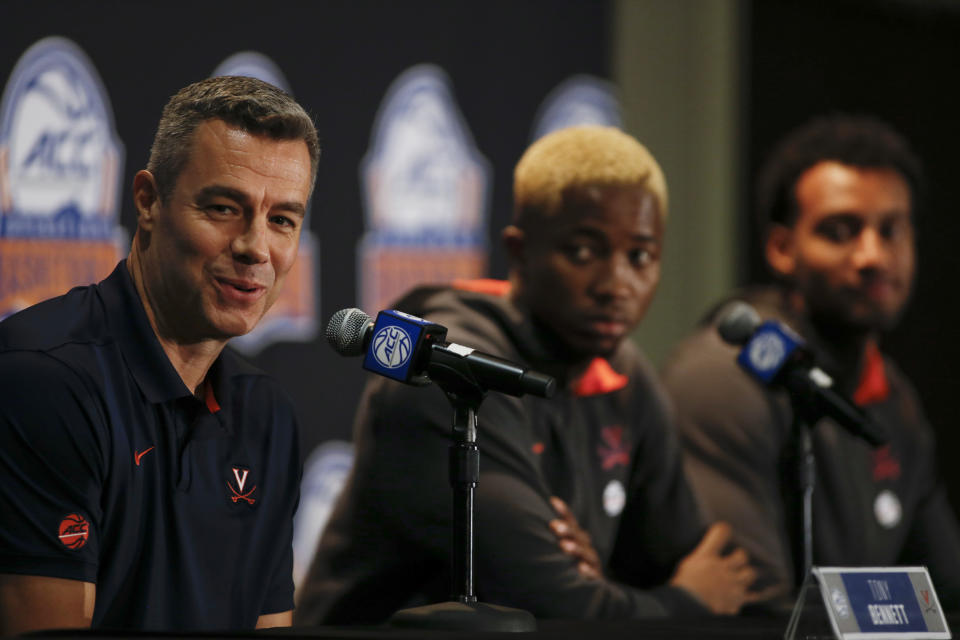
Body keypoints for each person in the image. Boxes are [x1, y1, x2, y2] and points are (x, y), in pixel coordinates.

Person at [295, 125, 758, 624]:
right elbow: (552, 606)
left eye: (639, 257)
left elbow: (705, 564)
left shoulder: (625, 374)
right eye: (583, 251)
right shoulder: (447, 373)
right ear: (519, 253)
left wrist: (608, 583)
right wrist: (686, 603)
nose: (615, 284)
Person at [0, 76, 320, 633]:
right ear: (148, 201)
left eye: (282, 220)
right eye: (224, 208)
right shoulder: (44, 379)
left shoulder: (267, 416)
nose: (255, 247)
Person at [661, 114, 960, 609]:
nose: (873, 256)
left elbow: (947, 597)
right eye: (840, 231)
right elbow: (758, 610)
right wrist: (898, 609)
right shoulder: (723, 376)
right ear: (781, 248)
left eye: (892, 230)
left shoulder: (895, 397)